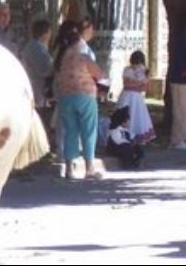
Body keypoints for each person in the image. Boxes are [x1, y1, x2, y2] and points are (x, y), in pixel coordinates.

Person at [53, 20, 107, 179]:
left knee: (70, 131)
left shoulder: (63, 57)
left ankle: (69, 168)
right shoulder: (84, 56)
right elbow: (99, 75)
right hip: (85, 96)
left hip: (65, 97)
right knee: (88, 130)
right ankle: (89, 168)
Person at [114, 50, 156, 145]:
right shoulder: (127, 70)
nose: (136, 65)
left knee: (137, 116)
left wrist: (136, 84)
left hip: (137, 98)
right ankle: (123, 136)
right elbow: (126, 84)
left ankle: (137, 137)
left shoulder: (145, 71)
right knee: (125, 115)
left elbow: (146, 88)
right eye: (134, 62)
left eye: (138, 63)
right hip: (126, 97)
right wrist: (140, 83)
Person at [21, 19, 54, 110]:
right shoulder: (36, 48)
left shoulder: (36, 46)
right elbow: (45, 69)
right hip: (37, 90)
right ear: (45, 33)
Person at [168, 29, 186, 150]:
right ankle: (177, 140)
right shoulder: (182, 38)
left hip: (180, 78)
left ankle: (180, 139)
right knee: (181, 111)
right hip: (181, 79)